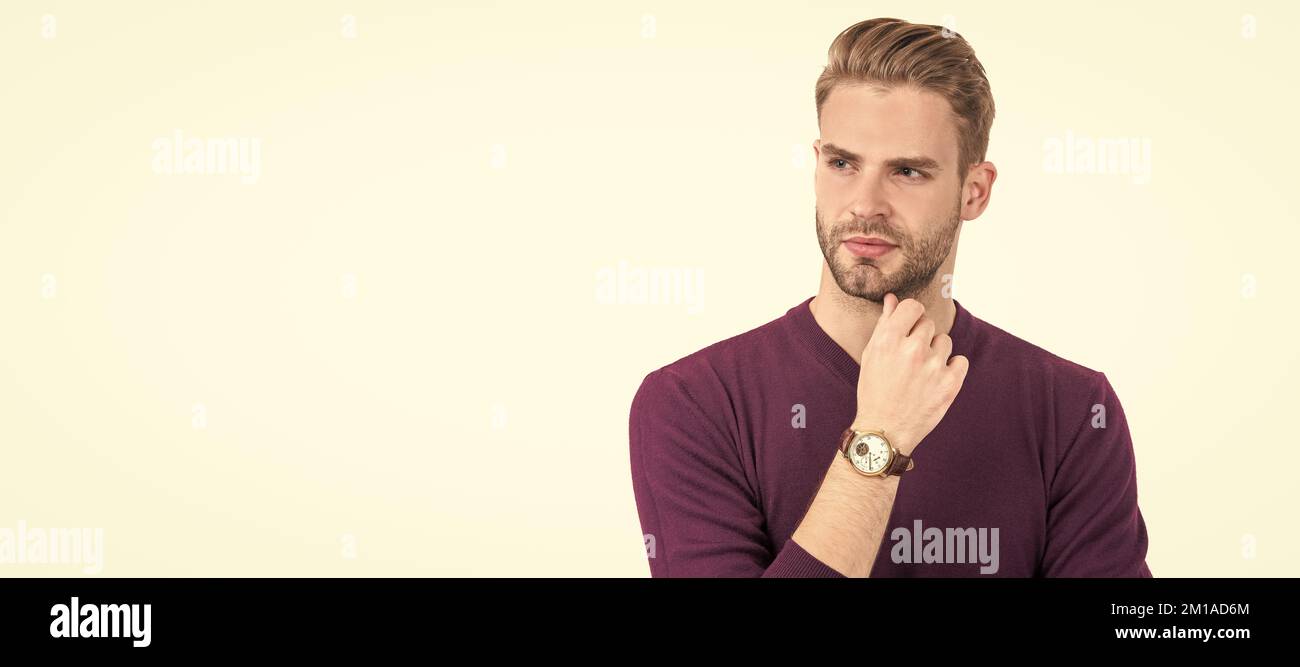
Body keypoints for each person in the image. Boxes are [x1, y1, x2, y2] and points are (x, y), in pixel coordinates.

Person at [628, 17, 1152, 577]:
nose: (864, 203)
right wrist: (880, 438)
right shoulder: (693, 403)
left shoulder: (1070, 409)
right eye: (842, 163)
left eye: (906, 171)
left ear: (974, 192)